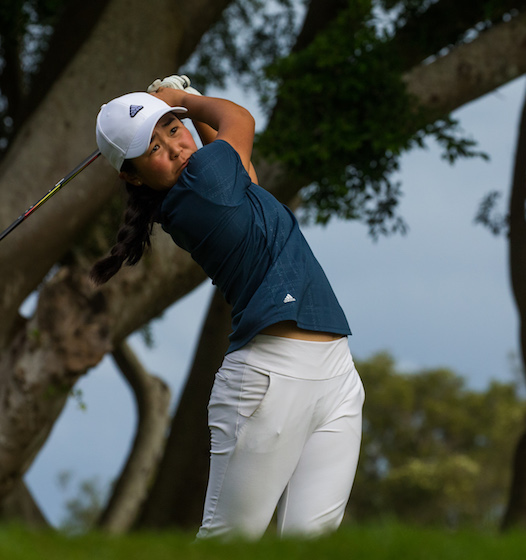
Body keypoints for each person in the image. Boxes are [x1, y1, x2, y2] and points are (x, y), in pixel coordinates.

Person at [92, 76, 365, 540]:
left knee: (310, 544)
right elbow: (238, 119)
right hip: (269, 382)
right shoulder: (200, 184)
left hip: (335, 374)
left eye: (172, 131)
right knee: (228, 543)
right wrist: (181, 100)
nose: (175, 148)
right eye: (154, 148)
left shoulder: (209, 182)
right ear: (133, 176)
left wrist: (185, 111)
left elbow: (248, 177)